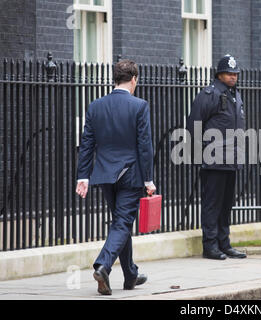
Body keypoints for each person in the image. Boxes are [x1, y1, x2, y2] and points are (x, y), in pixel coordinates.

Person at [76, 59, 156, 295]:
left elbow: (87, 144)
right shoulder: (139, 106)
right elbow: (145, 146)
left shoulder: (95, 106)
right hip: (130, 176)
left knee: (120, 224)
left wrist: (83, 177)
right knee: (122, 223)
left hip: (104, 175)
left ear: (115, 79)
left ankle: (130, 274)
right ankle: (103, 265)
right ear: (134, 79)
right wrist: (148, 180)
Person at [186, 55, 247, 260]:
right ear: (219, 74)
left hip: (231, 159)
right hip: (213, 160)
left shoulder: (235, 95)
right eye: (229, 74)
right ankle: (210, 246)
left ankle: (224, 242)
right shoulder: (209, 94)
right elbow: (194, 124)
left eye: (235, 74)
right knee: (212, 204)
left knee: (226, 204)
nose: (233, 77)